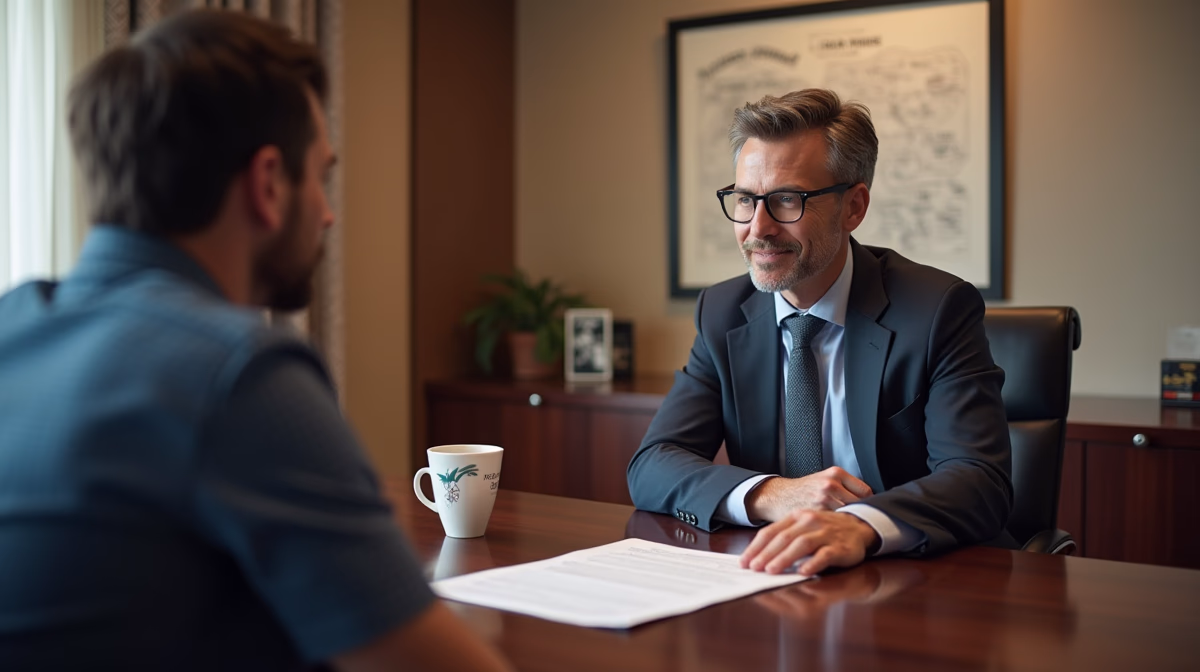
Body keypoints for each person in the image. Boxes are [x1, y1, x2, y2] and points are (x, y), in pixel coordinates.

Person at [0, 10, 510, 672]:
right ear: (268, 184)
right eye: (321, 177)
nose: (328, 213)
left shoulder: (15, 326)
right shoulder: (236, 373)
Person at [626, 89, 1013, 577]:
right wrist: (772, 494)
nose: (758, 228)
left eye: (787, 200)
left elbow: (979, 481)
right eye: (745, 200)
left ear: (853, 207)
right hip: (775, 577)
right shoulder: (724, 312)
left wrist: (864, 524)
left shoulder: (936, 310)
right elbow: (653, 465)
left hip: (917, 582)